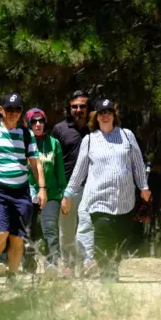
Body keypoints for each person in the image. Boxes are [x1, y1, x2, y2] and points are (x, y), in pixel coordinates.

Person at [61, 99, 151, 282]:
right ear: (96, 116)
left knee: (118, 237)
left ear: (114, 115)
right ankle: (106, 271)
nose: (105, 115)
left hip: (124, 199)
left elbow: (137, 164)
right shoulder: (89, 140)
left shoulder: (127, 135)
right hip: (98, 198)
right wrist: (68, 194)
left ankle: (112, 266)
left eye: (109, 112)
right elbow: (79, 170)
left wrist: (144, 187)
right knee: (102, 233)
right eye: (101, 112)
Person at [0, 93, 47, 285]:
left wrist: (42, 188)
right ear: (1, 110)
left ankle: (12, 276)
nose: (14, 112)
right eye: (9, 109)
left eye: (17, 109)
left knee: (17, 237)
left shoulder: (27, 134)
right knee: (1, 232)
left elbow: (35, 163)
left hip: (21, 191)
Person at [52, 90, 96, 276]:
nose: (78, 110)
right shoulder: (60, 129)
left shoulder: (96, 128)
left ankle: (87, 263)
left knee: (87, 224)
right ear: (69, 108)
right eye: (74, 107)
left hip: (91, 186)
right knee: (67, 229)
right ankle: (69, 264)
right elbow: (52, 159)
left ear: (88, 108)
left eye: (82, 106)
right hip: (67, 188)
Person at [25, 108, 67, 278]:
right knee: (28, 231)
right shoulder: (22, 143)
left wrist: (64, 194)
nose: (38, 124)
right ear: (28, 124)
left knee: (50, 228)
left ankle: (52, 263)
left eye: (41, 121)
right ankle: (28, 266)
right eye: (34, 121)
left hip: (51, 193)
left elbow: (60, 171)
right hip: (27, 194)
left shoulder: (54, 143)